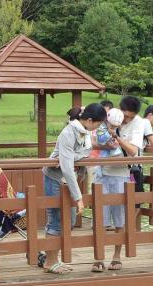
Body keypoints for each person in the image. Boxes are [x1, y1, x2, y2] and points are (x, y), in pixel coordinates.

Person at [42, 103, 107, 274]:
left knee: (69, 220)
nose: (98, 128)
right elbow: (67, 167)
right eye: (98, 124)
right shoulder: (68, 133)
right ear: (90, 120)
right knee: (56, 220)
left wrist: (71, 157)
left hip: (67, 178)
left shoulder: (84, 132)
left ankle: (54, 259)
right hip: (55, 177)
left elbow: (84, 154)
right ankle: (50, 262)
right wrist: (78, 198)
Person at [90, 105, 136, 272]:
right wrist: (106, 143)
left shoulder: (131, 129)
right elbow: (92, 142)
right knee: (100, 218)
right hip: (102, 173)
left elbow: (134, 151)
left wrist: (117, 137)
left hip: (120, 174)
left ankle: (117, 256)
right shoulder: (101, 128)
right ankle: (98, 257)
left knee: (119, 217)